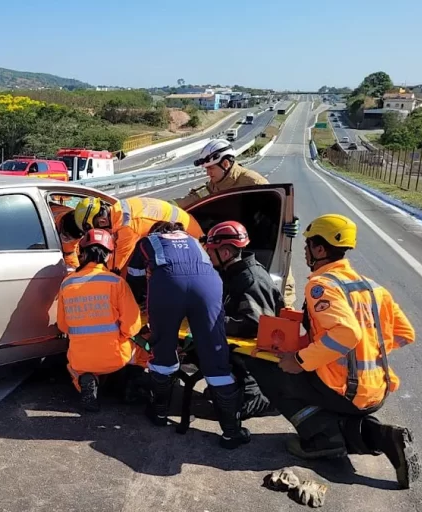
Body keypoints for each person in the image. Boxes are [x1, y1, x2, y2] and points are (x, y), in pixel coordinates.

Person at [242, 214, 420, 489]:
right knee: (328, 400)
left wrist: (300, 360)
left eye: (308, 245)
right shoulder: (374, 287)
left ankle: (320, 440)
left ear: (320, 249)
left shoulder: (321, 286)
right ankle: (384, 437)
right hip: (376, 390)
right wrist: (361, 353)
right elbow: (404, 334)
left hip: (344, 390)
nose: (305, 251)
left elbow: (347, 333)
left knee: (270, 369)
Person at [131, 221, 250, 449]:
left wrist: (143, 300)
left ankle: (159, 413)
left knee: (163, 350)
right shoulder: (194, 241)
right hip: (209, 284)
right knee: (216, 356)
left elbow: (135, 274)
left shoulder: (149, 241)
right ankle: (231, 432)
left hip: (167, 285)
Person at [173, 138, 300, 307]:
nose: (208, 173)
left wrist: (288, 223)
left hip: (261, 249)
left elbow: (274, 212)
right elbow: (190, 201)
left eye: (211, 168)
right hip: (230, 254)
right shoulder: (213, 186)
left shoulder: (254, 183)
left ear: (225, 164)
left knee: (278, 306)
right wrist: (163, 207)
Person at [56, 229, 142, 412]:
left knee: (75, 365)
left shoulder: (67, 283)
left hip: (81, 359)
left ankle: (85, 380)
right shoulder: (116, 282)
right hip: (116, 357)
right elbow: (132, 327)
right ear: (109, 255)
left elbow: (63, 326)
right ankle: (131, 385)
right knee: (141, 352)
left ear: (83, 253)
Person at [204, 221, 282, 419]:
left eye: (211, 250)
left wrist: (213, 322)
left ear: (226, 254)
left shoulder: (250, 279)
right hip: (242, 345)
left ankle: (260, 400)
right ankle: (230, 386)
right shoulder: (234, 272)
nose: (208, 254)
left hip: (256, 353)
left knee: (229, 412)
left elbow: (254, 324)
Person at [73, 196, 204, 277]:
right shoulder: (120, 209)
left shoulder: (128, 227)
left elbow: (117, 267)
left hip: (191, 241)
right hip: (188, 228)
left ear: (102, 222)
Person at [50, 201, 81, 269]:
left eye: (70, 238)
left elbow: (70, 253)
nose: (66, 239)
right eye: (65, 235)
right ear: (62, 221)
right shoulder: (48, 221)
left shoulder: (79, 229)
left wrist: (74, 270)